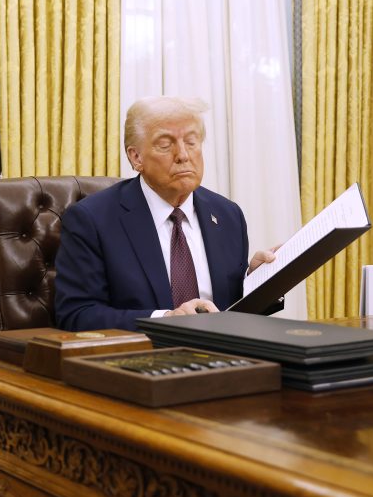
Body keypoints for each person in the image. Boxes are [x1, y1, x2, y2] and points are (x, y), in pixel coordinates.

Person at [53, 96, 275, 331]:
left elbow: (231, 310)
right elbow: (76, 314)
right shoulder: (92, 220)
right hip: (142, 358)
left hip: (222, 357)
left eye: (191, 142)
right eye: (165, 145)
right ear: (136, 157)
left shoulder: (228, 215)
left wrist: (258, 280)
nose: (183, 155)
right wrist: (165, 320)